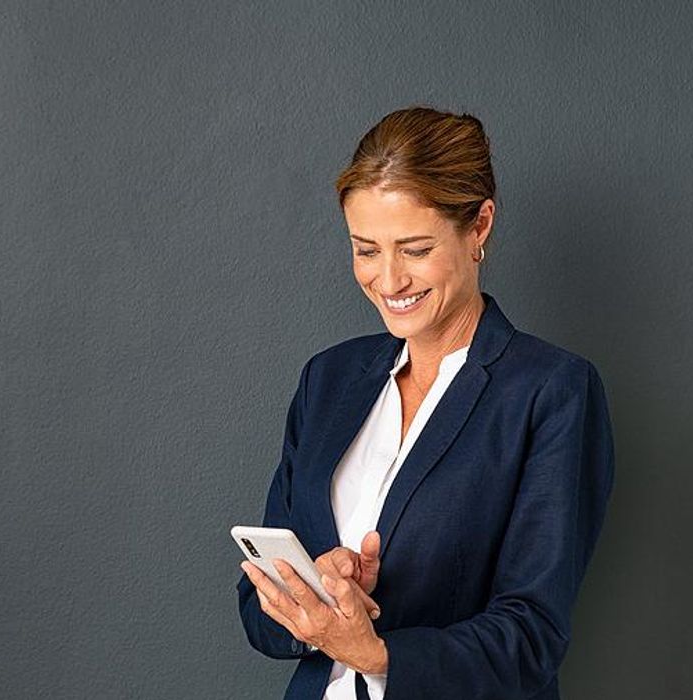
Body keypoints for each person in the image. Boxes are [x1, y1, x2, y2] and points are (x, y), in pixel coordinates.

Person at [235, 106, 616, 700]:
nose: (388, 281)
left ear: (479, 226)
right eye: (366, 250)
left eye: (413, 249)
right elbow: (256, 611)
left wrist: (378, 653)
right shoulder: (328, 380)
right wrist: (315, 594)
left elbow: (533, 636)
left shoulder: (551, 391)